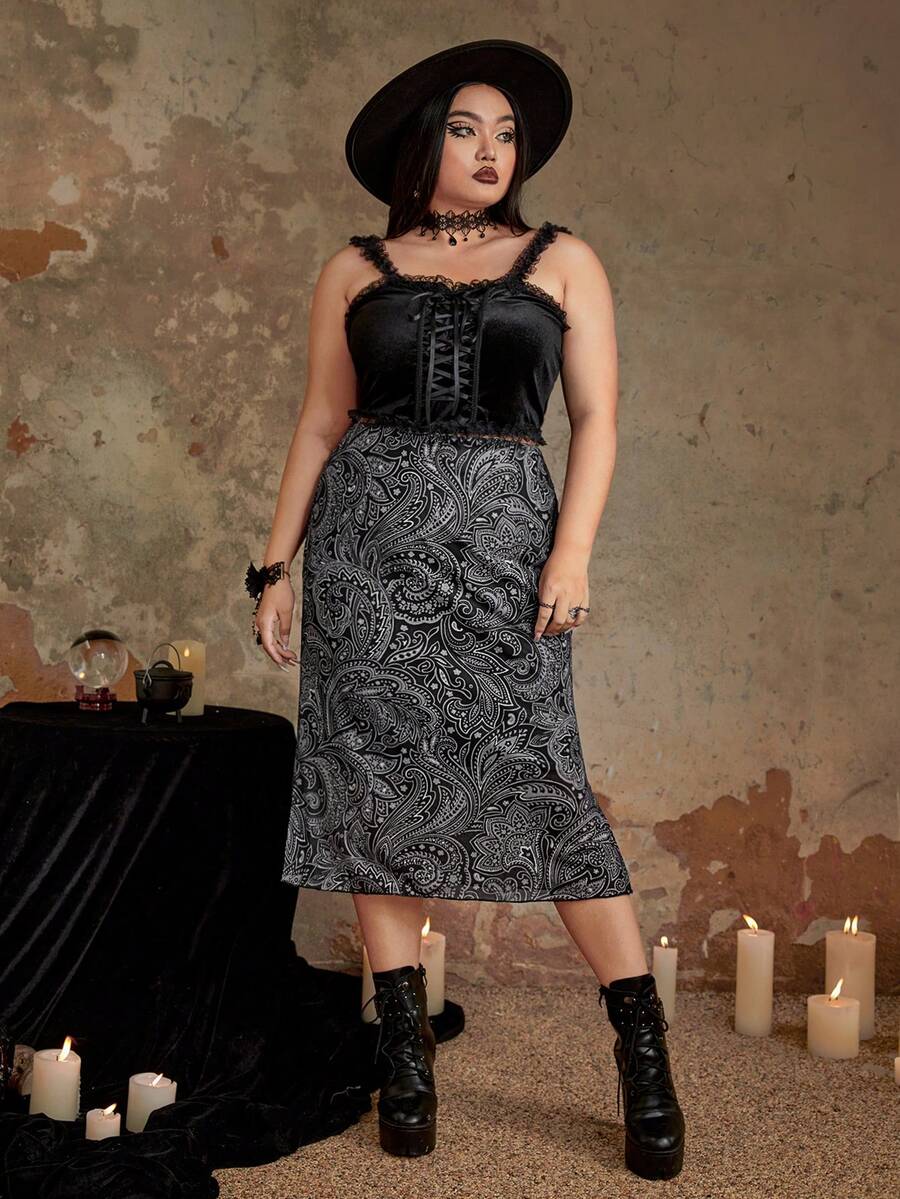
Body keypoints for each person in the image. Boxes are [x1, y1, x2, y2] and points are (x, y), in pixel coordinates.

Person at [245, 39, 684, 1180]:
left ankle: (643, 1053)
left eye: (507, 135)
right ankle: (405, 1056)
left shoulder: (564, 259)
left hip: (506, 546)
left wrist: (572, 552)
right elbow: (320, 421)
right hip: (365, 553)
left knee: (546, 782)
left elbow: (598, 419)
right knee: (376, 783)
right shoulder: (352, 269)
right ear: (421, 142)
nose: (492, 151)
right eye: (466, 129)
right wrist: (275, 565)